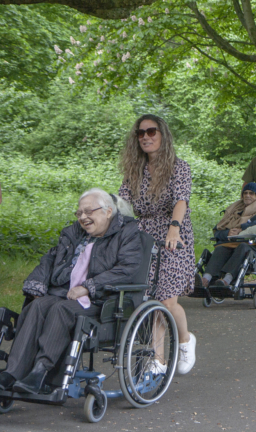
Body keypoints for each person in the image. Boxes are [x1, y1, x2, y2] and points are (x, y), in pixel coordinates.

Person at [0, 189, 142, 394]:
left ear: (108, 211)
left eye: (88, 211)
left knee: (61, 310)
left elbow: (127, 269)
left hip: (102, 301)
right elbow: (49, 259)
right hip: (64, 292)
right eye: (79, 213)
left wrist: (88, 287)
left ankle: (41, 371)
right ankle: (13, 373)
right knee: (38, 305)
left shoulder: (127, 233)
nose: (83, 217)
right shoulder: (74, 232)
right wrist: (36, 284)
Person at [118, 114, 197, 375]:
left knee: (166, 300)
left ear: (162, 135)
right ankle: (158, 359)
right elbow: (123, 205)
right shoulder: (134, 171)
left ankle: (185, 340)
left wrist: (173, 229)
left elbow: (181, 201)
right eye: (140, 133)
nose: (146, 137)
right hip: (144, 235)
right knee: (150, 299)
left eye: (151, 131)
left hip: (174, 234)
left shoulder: (179, 167)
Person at [198, 183, 256, 289]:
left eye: (251, 193)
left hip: (255, 246)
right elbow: (218, 231)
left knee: (243, 247)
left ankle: (226, 281)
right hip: (232, 243)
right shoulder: (235, 210)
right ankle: (205, 279)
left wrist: (243, 228)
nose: (247, 195)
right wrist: (227, 233)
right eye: (245, 193)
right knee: (221, 248)